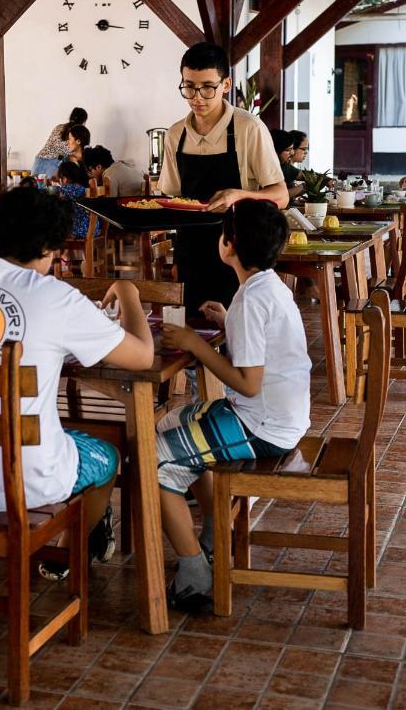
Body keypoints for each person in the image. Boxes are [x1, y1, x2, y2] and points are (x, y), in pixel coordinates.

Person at [0, 186, 154, 579]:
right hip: (22, 483)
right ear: (46, 245)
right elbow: (142, 356)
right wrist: (128, 293)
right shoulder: (56, 296)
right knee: (106, 453)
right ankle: (61, 555)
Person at [157, 199, 311, 612]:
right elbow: (262, 348)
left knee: (152, 461)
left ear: (229, 244)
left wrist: (193, 344)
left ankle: (194, 575)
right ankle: (211, 537)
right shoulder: (267, 288)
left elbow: (248, 381)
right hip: (279, 418)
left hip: (261, 428)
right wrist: (229, 322)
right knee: (171, 420)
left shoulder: (249, 299)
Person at [158, 42, 288, 315]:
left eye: (207, 87)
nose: (197, 97)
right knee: (194, 335)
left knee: (239, 339)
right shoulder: (175, 134)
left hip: (239, 252)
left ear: (226, 84)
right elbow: (170, 197)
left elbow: (281, 196)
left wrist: (237, 195)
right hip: (190, 250)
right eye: (189, 86)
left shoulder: (248, 128)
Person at [31, 108, 89, 178]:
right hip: (54, 163)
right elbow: (69, 153)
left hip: (39, 160)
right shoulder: (75, 133)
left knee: (33, 187)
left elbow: (58, 149)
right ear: (83, 121)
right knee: (50, 187)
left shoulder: (59, 127)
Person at [58, 160, 100, 240]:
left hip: (80, 230)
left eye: (60, 178)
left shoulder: (65, 189)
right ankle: (70, 253)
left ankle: (55, 252)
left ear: (65, 178)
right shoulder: (82, 187)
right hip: (94, 228)